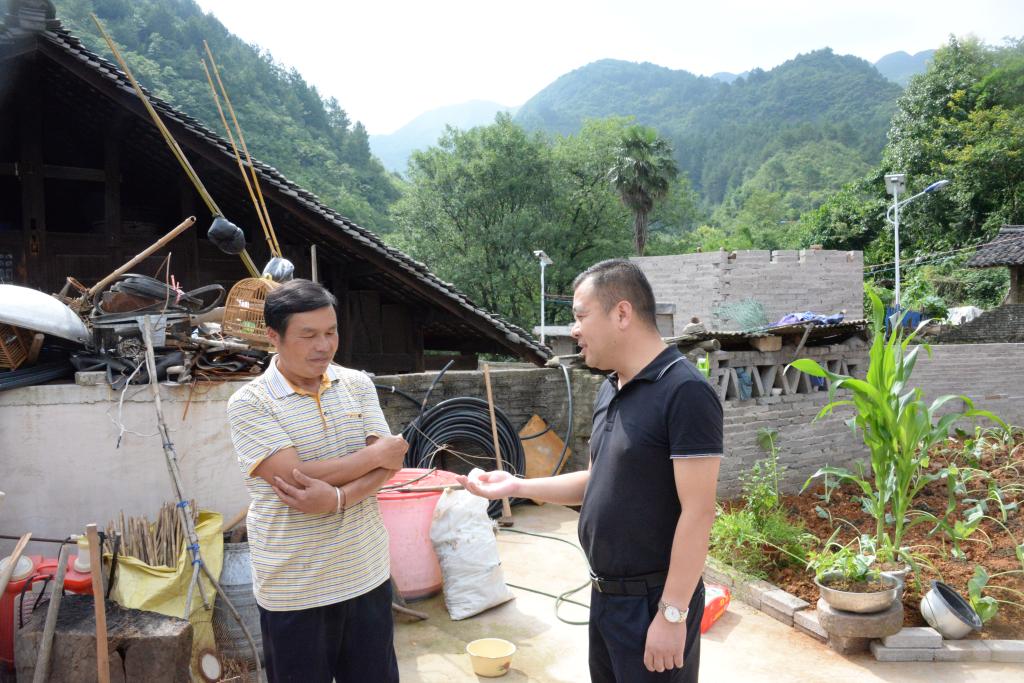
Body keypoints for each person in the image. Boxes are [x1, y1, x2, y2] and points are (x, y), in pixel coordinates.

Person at [459, 259, 722, 683]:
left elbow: (699, 511)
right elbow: (594, 481)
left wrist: (672, 614)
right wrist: (517, 484)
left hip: (653, 601)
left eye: (580, 316)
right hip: (606, 597)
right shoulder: (610, 387)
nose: (574, 330)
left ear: (622, 313)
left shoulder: (684, 391)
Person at [227, 278, 408, 683]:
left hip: (365, 573)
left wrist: (337, 499)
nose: (323, 346)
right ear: (274, 336)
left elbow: (390, 464)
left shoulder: (356, 383)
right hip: (295, 587)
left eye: (331, 332)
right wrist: (373, 457)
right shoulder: (250, 403)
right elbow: (293, 477)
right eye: (308, 335)